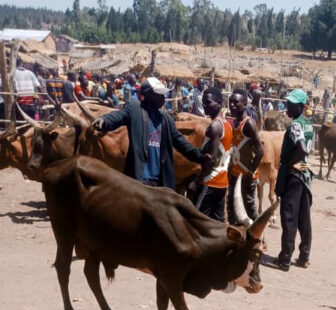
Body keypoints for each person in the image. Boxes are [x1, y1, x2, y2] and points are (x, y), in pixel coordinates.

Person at [91, 77, 210, 189]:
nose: (164, 98)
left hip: (160, 180)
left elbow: (181, 142)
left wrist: (200, 156)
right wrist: (104, 120)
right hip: (139, 179)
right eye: (160, 95)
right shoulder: (135, 109)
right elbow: (118, 116)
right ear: (149, 95)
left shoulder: (166, 119)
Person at [274, 89, 314, 271]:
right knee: (303, 217)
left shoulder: (296, 125)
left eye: (290, 104)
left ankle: (285, 259)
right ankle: (304, 256)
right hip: (305, 173)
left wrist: (290, 163)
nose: (287, 106)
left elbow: (302, 148)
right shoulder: (309, 125)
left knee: (289, 217)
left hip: (293, 174)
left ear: (300, 106)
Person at [190, 87, 232, 222]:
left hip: (210, 181)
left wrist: (197, 181)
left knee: (196, 219)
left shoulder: (215, 126)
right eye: (203, 102)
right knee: (217, 221)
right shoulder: (226, 125)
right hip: (222, 182)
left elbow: (212, 159)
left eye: (208, 102)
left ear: (219, 102)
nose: (205, 105)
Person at [227, 89, 263, 225]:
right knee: (231, 207)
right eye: (230, 102)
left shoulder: (248, 124)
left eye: (236, 103)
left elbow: (260, 150)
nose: (232, 105)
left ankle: (260, 240)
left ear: (245, 104)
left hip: (246, 176)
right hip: (235, 174)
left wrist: (250, 171)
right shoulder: (235, 122)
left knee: (250, 209)